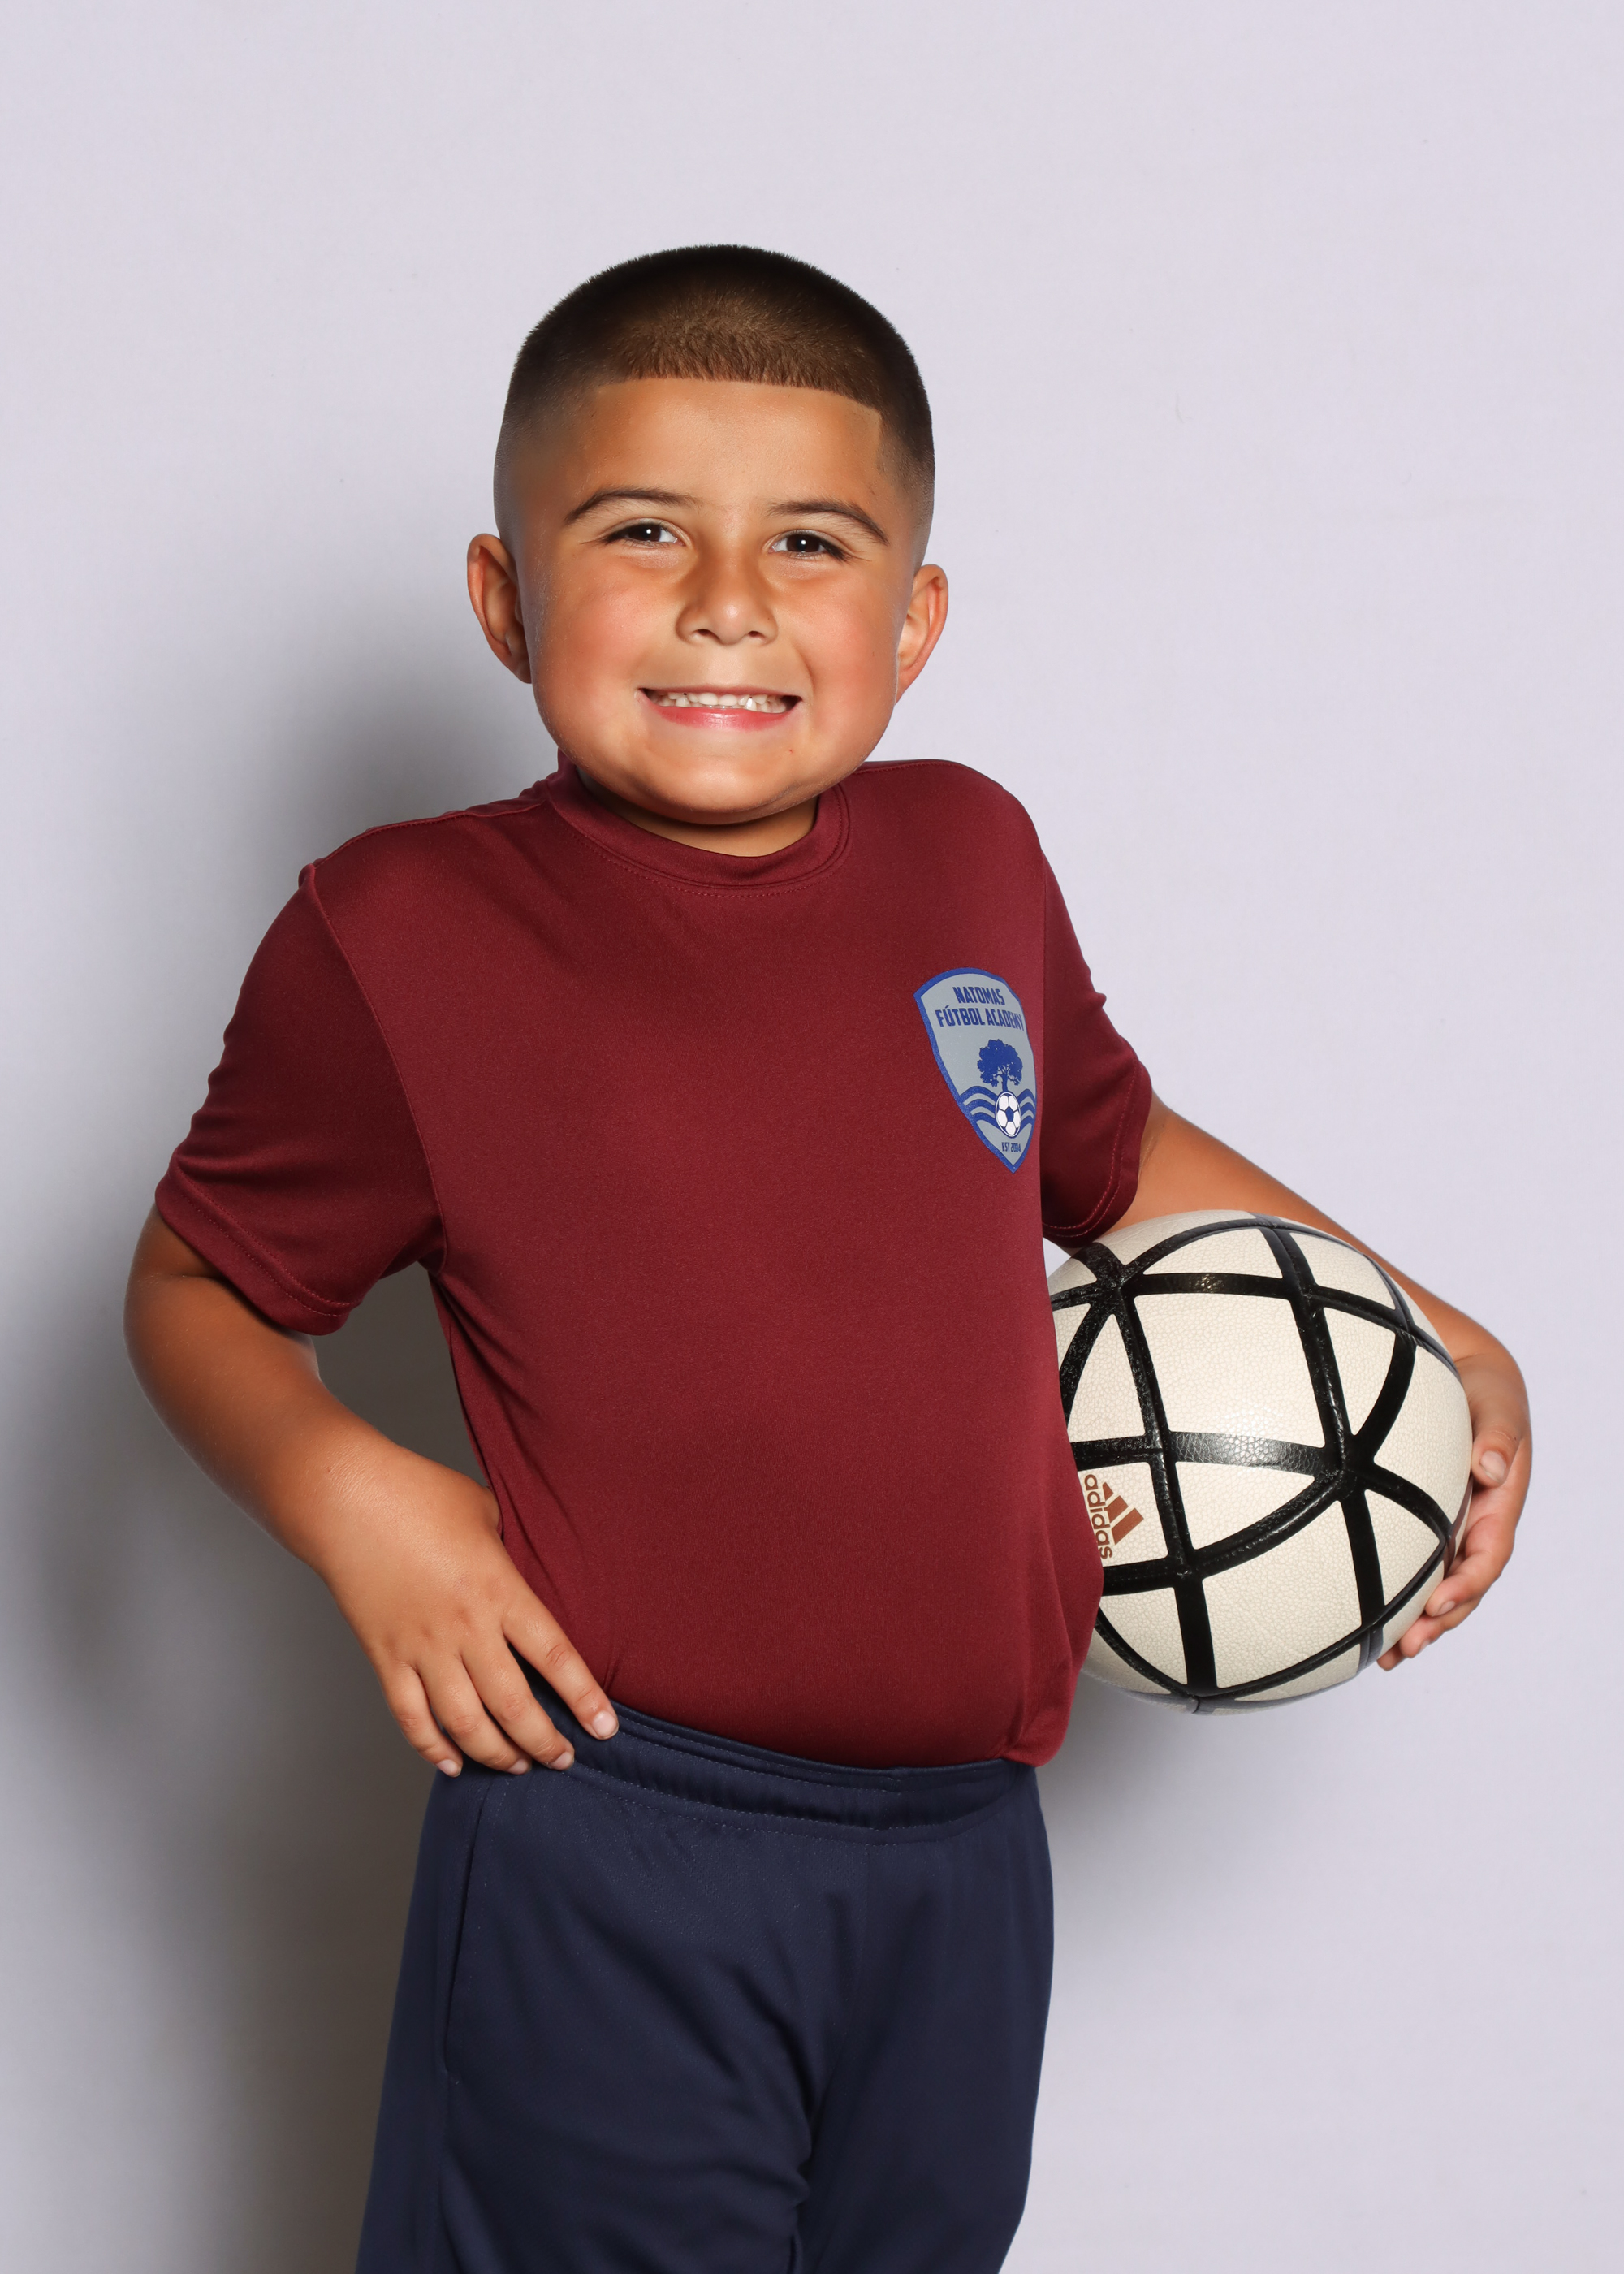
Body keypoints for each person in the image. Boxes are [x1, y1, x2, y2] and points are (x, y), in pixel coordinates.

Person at [123, 246, 1531, 2274]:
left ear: (914, 617)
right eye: (641, 532)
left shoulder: (973, 854)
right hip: (615, 1836)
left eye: (809, 540)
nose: (728, 601)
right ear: (505, 600)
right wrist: (357, 1494)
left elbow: (1101, 1153)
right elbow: (195, 1291)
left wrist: (1420, 1319)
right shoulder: (399, 933)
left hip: (964, 1856)